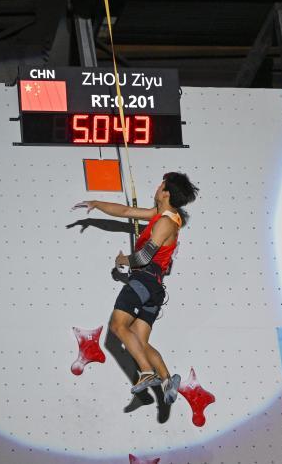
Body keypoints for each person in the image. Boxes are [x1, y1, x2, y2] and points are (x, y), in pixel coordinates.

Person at [73, 172, 199, 402]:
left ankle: (147, 373)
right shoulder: (162, 215)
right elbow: (125, 211)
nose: (157, 187)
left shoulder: (165, 222)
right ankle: (167, 380)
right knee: (139, 342)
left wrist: (123, 260)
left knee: (118, 325)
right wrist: (97, 204)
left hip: (145, 281)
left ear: (166, 193)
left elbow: (144, 257)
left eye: (161, 185)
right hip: (154, 288)